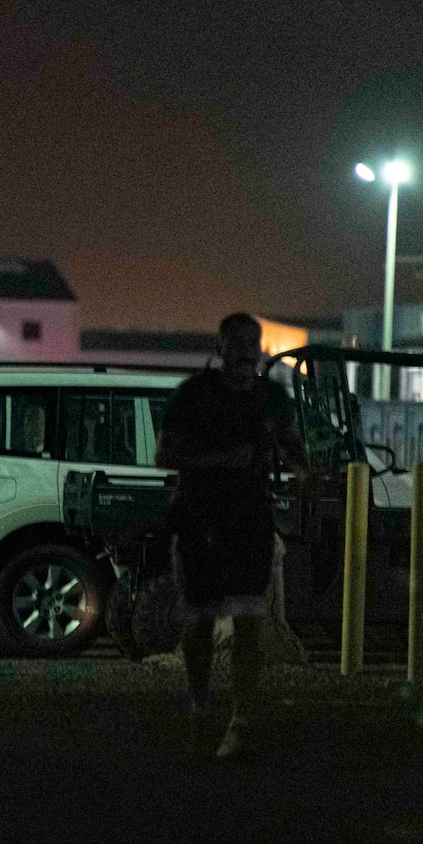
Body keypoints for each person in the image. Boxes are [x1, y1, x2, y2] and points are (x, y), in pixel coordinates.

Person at [156, 312, 309, 760]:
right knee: (199, 622)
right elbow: (165, 453)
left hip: (249, 523)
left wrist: (303, 469)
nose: (245, 350)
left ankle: (241, 719)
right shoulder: (192, 395)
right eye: (236, 342)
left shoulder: (272, 397)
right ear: (220, 347)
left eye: (252, 342)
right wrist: (224, 460)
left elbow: (292, 441)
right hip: (199, 519)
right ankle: (200, 707)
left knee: (248, 622)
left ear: (259, 350)